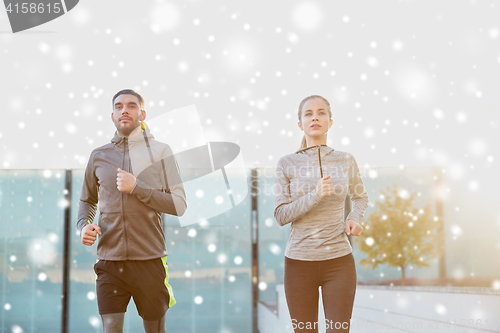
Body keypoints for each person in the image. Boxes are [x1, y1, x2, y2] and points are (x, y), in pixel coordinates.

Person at [77, 89, 187, 333]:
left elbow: (179, 204)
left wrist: (138, 187)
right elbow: (87, 201)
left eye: (131, 106)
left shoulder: (160, 151)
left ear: (143, 114)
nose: (124, 110)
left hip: (150, 260)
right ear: (112, 116)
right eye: (118, 106)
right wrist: (84, 225)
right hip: (109, 262)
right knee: (111, 329)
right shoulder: (99, 155)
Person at [273, 95, 369, 332]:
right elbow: (281, 215)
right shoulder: (286, 164)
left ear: (330, 121)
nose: (315, 117)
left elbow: (360, 197)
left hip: (339, 263)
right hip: (298, 265)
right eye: (308, 113)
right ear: (300, 124)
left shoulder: (346, 160)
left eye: (321, 112)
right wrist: (315, 195)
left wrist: (354, 218)